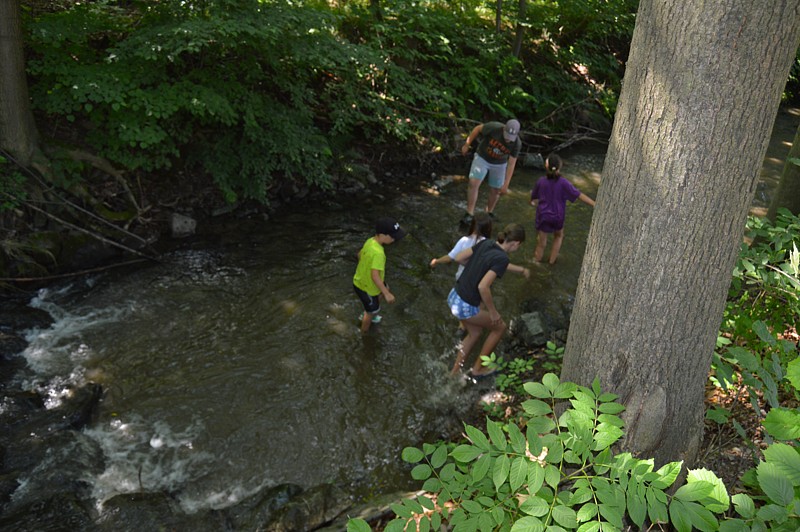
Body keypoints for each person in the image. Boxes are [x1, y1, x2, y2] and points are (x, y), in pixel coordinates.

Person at [447, 223, 529, 376]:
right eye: (519, 246)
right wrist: (493, 312)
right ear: (516, 243)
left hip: (454, 296)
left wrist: (474, 267)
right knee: (500, 327)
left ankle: (455, 371)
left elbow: (459, 258)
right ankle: (477, 369)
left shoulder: (486, 242)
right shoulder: (502, 258)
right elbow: (483, 287)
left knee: (475, 333)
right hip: (465, 305)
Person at [530, 154, 595, 264]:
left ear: (546, 167)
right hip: (558, 217)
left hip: (543, 216)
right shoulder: (563, 183)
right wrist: (594, 203)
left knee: (541, 243)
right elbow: (578, 194)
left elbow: (533, 199)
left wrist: (534, 203)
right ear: (559, 168)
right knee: (559, 236)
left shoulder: (541, 181)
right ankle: (551, 261)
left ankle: (536, 262)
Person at [460, 119, 522, 225]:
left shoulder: (517, 143)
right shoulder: (494, 127)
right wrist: (467, 144)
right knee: (473, 183)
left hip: (500, 163)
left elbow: (511, 164)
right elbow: (477, 129)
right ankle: (469, 213)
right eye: (506, 136)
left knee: (496, 189)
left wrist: (506, 184)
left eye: (510, 138)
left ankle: (489, 212)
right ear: (503, 129)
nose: (508, 140)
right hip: (482, 157)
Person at [353, 217, 407, 333]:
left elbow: (359, 254)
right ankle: (364, 333)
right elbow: (375, 276)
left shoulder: (370, 241)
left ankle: (371, 308)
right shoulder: (379, 254)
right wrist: (387, 294)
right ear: (382, 235)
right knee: (371, 311)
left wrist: (364, 267)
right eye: (392, 237)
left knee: (385, 287)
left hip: (361, 280)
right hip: (366, 287)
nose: (394, 240)